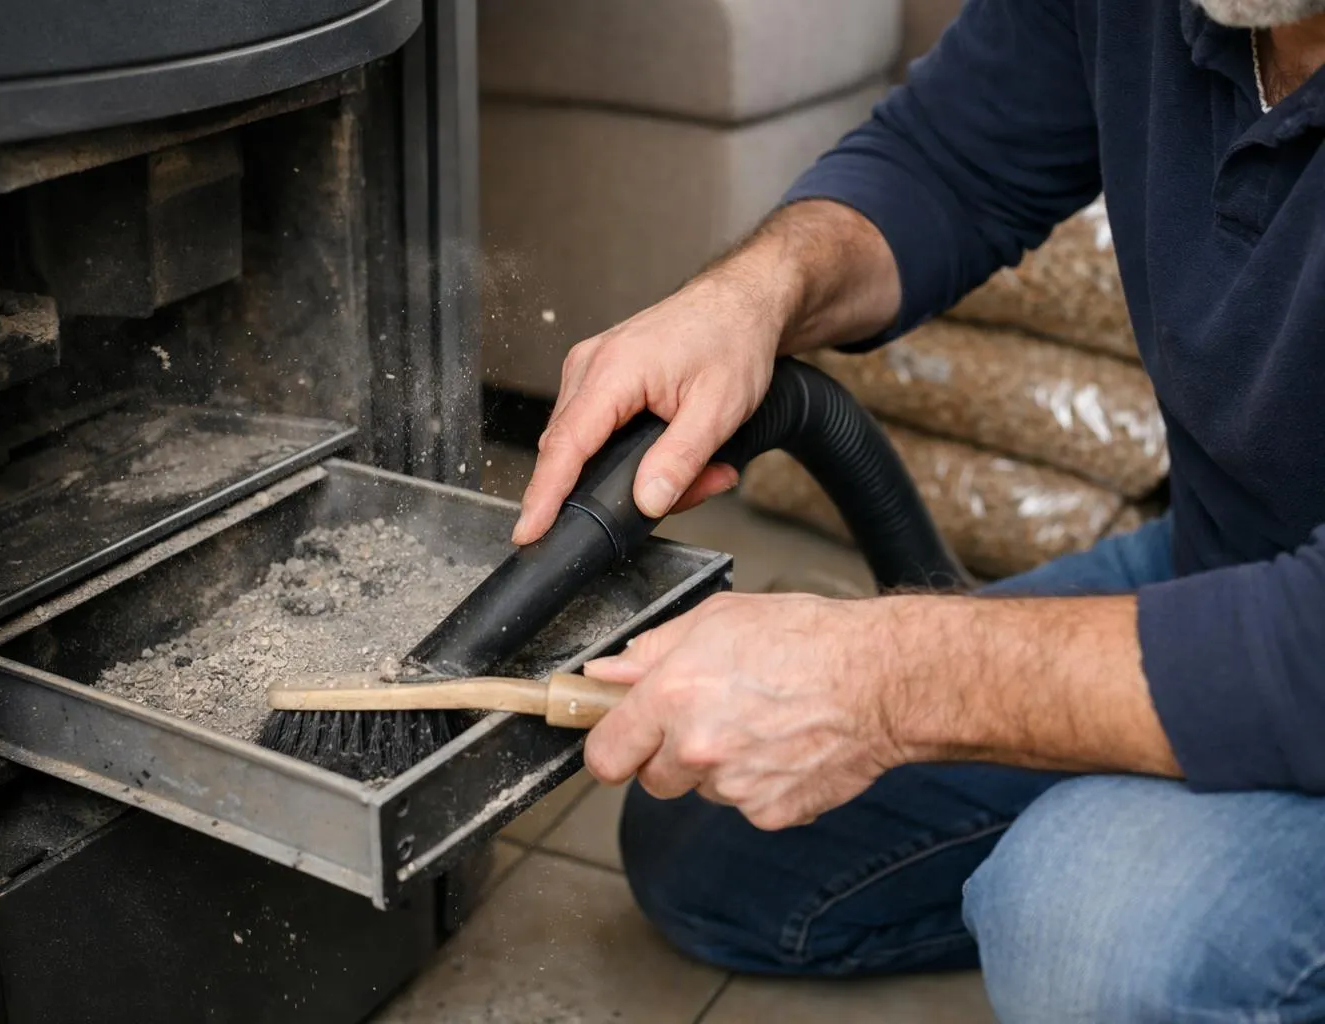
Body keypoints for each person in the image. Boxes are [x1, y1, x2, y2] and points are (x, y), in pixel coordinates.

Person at [510, 1, 1325, 1020]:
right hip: (1231, 564)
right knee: (715, 845)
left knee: (1084, 925)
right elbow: (951, 157)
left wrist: (886, 681)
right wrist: (754, 294)